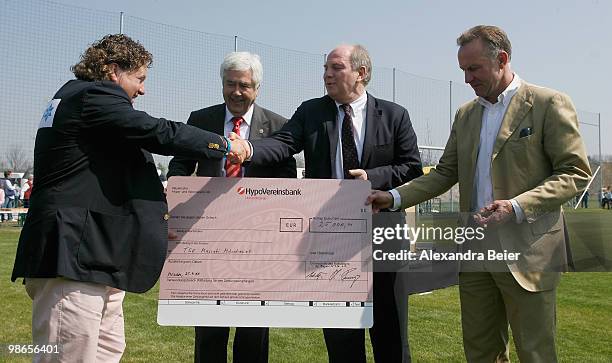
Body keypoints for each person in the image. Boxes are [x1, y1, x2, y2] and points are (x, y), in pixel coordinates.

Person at [10, 34, 248, 363]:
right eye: (139, 78)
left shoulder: (83, 104)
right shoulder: (92, 95)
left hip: (94, 259)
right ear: (112, 70)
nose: (143, 89)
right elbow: (158, 131)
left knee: (106, 351)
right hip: (71, 259)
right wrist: (224, 145)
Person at [367, 25, 591, 362]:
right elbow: (444, 173)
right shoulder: (466, 114)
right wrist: (393, 197)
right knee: (481, 352)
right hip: (475, 252)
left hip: (528, 252)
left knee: (535, 353)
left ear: (501, 59)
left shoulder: (549, 103)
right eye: (463, 70)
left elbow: (574, 173)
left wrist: (515, 206)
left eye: (474, 69)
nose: (468, 79)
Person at [233, 44, 422, 363]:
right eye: (325, 69)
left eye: (336, 68)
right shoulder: (311, 111)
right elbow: (283, 144)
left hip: (383, 235)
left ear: (361, 74)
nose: (327, 75)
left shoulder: (394, 114)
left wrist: (372, 177)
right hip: (332, 238)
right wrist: (248, 149)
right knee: (341, 335)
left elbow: (411, 167)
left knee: (390, 332)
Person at [167, 51, 296, 363]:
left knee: (254, 330)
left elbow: (289, 181)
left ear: (257, 88)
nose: (237, 92)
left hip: (257, 241)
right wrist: (176, 194)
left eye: (245, 85)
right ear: (222, 84)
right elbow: (180, 164)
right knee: (209, 328)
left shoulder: (279, 126)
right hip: (207, 237)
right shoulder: (202, 119)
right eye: (230, 84)